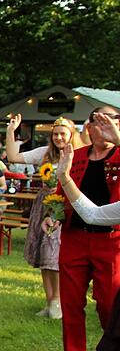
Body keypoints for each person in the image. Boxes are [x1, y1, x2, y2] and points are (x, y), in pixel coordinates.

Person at [54, 107, 120, 351]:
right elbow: (62, 194)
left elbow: (97, 215)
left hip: (111, 240)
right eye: (96, 122)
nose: (102, 128)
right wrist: (53, 215)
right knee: (70, 303)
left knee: (109, 303)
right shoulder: (76, 156)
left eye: (109, 122)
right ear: (88, 128)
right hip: (75, 237)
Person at [6, 114, 80, 319]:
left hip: (64, 206)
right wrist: (11, 131)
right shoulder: (45, 153)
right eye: (55, 134)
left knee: (53, 254)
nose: (58, 138)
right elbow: (13, 157)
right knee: (43, 255)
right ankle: (49, 301)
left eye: (62, 134)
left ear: (71, 135)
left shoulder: (79, 154)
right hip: (44, 205)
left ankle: (58, 301)